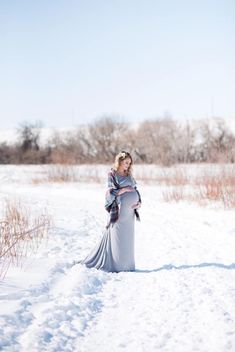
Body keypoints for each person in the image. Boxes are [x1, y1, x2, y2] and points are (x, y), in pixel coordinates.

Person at [77, 151, 142, 273]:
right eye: (126, 162)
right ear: (120, 161)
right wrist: (123, 190)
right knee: (118, 238)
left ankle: (128, 265)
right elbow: (110, 193)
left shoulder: (129, 175)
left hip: (130, 214)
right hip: (119, 212)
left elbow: (136, 190)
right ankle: (118, 265)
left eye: (129, 163)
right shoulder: (112, 174)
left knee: (128, 239)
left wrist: (139, 202)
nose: (128, 165)